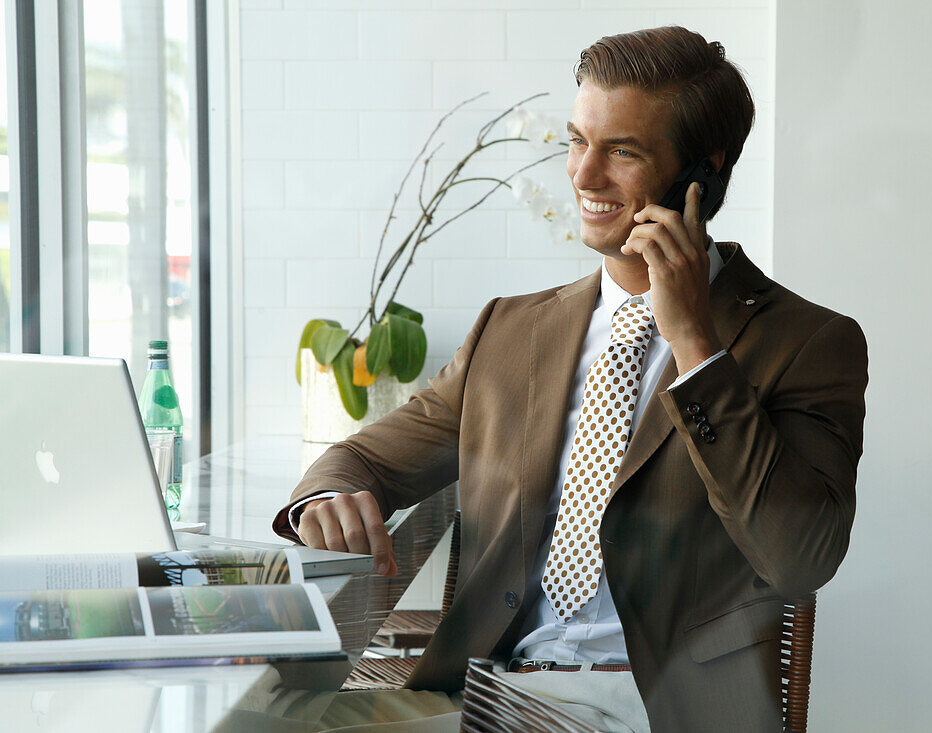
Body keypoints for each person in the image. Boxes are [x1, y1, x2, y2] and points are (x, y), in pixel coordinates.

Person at [273, 25, 868, 733]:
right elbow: (363, 457)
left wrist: (695, 348)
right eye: (577, 141)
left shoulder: (808, 343)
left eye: (622, 151)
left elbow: (800, 556)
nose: (584, 176)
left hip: (658, 709)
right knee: (269, 718)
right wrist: (332, 492)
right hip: (484, 698)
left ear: (701, 176)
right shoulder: (509, 332)